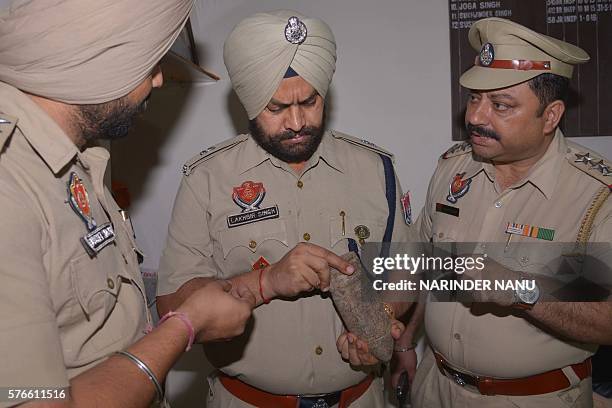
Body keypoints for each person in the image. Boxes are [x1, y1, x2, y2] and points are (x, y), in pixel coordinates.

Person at [0, 1, 255, 407]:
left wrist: (397, 337)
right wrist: (186, 326)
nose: (157, 81)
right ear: (96, 59)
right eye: (149, 63)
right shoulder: (10, 185)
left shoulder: (82, 164)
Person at [156, 10, 415, 408]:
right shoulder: (207, 180)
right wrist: (266, 281)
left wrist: (378, 317)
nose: (297, 122)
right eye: (276, 108)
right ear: (248, 102)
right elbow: (173, 305)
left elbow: (406, 269)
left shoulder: (374, 169)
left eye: (310, 102)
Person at [392, 17, 612, 408]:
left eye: (500, 105)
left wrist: (521, 290)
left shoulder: (595, 196)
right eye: (475, 98)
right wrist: (404, 341)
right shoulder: (452, 168)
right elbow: (421, 261)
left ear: (551, 115)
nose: (476, 116)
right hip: (435, 387)